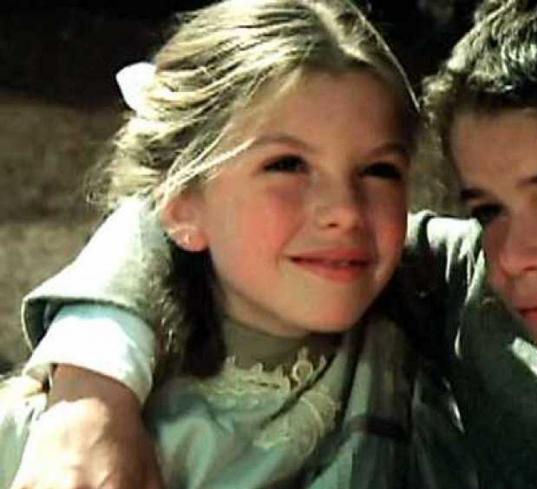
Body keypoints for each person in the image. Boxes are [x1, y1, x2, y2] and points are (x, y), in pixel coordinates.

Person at [10, 0, 537, 488]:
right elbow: (189, 208)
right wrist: (93, 391)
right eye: (486, 207)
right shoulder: (443, 277)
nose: (513, 255)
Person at [0, 0, 474, 488]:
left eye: (379, 170)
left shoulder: (420, 334)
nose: (346, 211)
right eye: (287, 165)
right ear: (182, 204)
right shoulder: (65, 443)